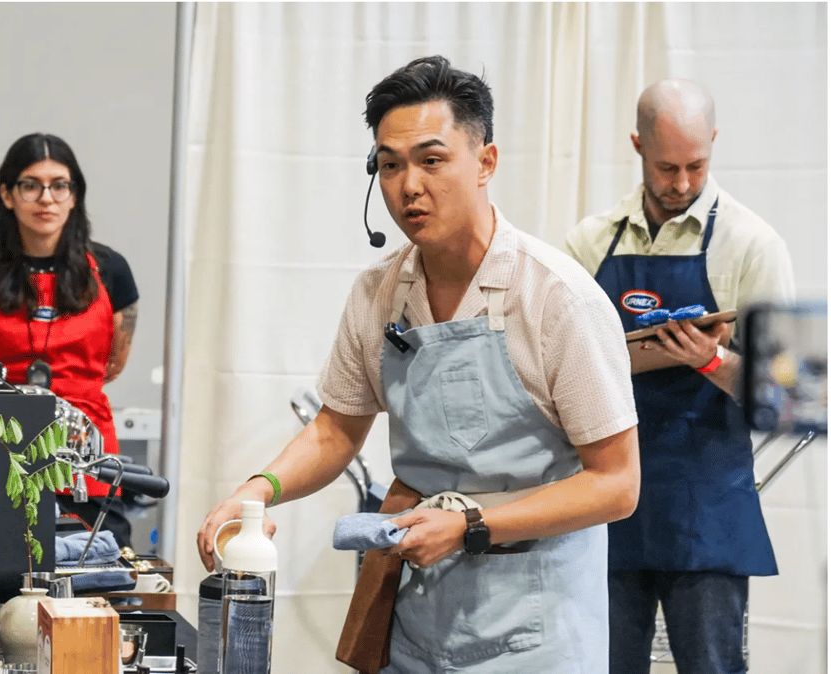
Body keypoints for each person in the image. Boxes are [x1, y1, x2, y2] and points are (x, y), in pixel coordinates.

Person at [197, 55, 641, 673]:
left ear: (485, 162)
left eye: (432, 160)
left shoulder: (555, 298)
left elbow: (617, 484)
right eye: (389, 164)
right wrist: (257, 491)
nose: (409, 185)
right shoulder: (380, 292)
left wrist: (469, 524)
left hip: (538, 631)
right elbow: (335, 429)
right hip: (418, 622)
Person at [565, 79, 795, 674]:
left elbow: (793, 393)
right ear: (637, 146)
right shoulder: (588, 243)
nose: (683, 183)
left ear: (714, 143)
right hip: (606, 509)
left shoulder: (752, 245)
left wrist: (710, 360)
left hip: (707, 509)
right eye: (666, 166)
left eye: (697, 165)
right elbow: (552, 369)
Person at [0, 133, 140, 547]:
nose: (46, 198)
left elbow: (113, 365)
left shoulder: (111, 271)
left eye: (59, 185)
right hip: (0, 451)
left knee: (97, 579)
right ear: (7, 194)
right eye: (30, 185)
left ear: (74, 196)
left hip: (87, 458)